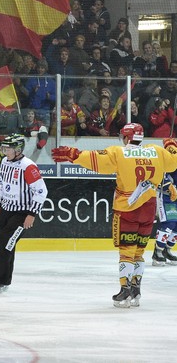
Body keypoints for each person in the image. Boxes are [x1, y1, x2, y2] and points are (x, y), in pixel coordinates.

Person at [52, 124, 177, 307]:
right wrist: (171, 146)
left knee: (126, 251)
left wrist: (74, 155)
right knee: (139, 252)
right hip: (149, 208)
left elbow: (95, 159)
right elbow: (173, 161)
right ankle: (136, 290)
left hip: (128, 207)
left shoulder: (119, 153)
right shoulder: (157, 152)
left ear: (127, 138)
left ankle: (124, 291)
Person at [0, 134, 48, 294]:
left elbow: (41, 191)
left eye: (8, 148)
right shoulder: (5, 162)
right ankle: (3, 279)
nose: (5, 150)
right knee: (6, 244)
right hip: (6, 210)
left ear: (18, 150)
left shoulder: (28, 166)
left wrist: (32, 214)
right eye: (4, 147)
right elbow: (3, 184)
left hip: (22, 213)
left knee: (4, 242)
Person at [152, 172, 177, 266]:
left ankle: (167, 250)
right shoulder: (169, 157)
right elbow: (158, 172)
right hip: (166, 195)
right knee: (169, 223)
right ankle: (158, 252)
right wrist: (168, 185)